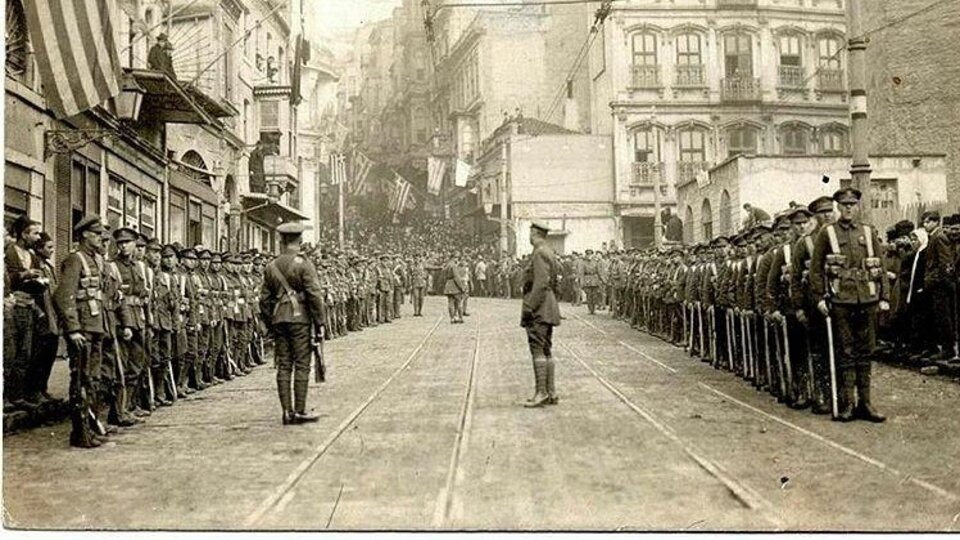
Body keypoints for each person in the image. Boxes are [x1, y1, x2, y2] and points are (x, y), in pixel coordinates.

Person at [810, 188, 889, 423]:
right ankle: (848, 404)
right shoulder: (828, 233)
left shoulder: (867, 231)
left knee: (866, 350)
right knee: (845, 351)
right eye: (844, 204)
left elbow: (881, 266)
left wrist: (884, 296)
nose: (848, 208)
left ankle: (866, 403)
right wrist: (819, 299)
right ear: (837, 207)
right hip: (840, 300)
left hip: (867, 298)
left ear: (857, 207)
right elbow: (816, 270)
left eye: (852, 204)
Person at [259, 222, 326, 425]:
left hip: (279, 320)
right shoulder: (304, 264)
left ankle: (286, 411)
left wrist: (271, 323)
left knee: (284, 365)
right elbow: (315, 294)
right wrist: (320, 321)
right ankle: (299, 409)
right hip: (300, 320)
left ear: (281, 240)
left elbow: (264, 300)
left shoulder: (271, 266)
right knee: (302, 364)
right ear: (300, 240)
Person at [53, 216, 108, 448]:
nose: (100, 239)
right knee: (81, 380)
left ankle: (89, 428)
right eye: (96, 234)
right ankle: (80, 433)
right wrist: (73, 329)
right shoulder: (75, 260)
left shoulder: (93, 259)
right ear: (85, 235)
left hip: (94, 327)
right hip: (82, 329)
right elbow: (63, 296)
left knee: (93, 379)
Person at [520, 222, 561, 408]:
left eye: (530, 232)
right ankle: (551, 392)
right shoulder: (548, 251)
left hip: (539, 307)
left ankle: (541, 392)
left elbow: (541, 283)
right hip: (548, 305)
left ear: (534, 233)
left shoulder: (539, 253)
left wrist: (529, 306)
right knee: (546, 348)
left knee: (537, 347)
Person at [27, 232, 61, 405]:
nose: (52, 251)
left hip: (52, 317)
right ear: (39, 248)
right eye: (49, 247)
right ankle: (33, 391)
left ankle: (43, 388)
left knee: (50, 354)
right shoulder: (34, 266)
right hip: (41, 317)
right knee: (38, 356)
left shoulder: (49, 267)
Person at [920, 211, 956, 360]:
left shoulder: (939, 237)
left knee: (943, 317)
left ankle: (948, 349)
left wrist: (937, 280)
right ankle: (943, 348)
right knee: (938, 317)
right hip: (935, 284)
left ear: (935, 222)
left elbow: (945, 262)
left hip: (940, 285)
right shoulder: (934, 236)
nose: (925, 224)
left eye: (927, 221)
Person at [442, 253, 465, 324]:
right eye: (456, 258)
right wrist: (461, 287)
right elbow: (456, 277)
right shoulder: (453, 266)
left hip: (448, 284)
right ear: (453, 258)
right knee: (459, 302)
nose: (457, 259)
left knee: (450, 302)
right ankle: (460, 318)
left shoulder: (447, 265)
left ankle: (452, 318)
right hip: (454, 285)